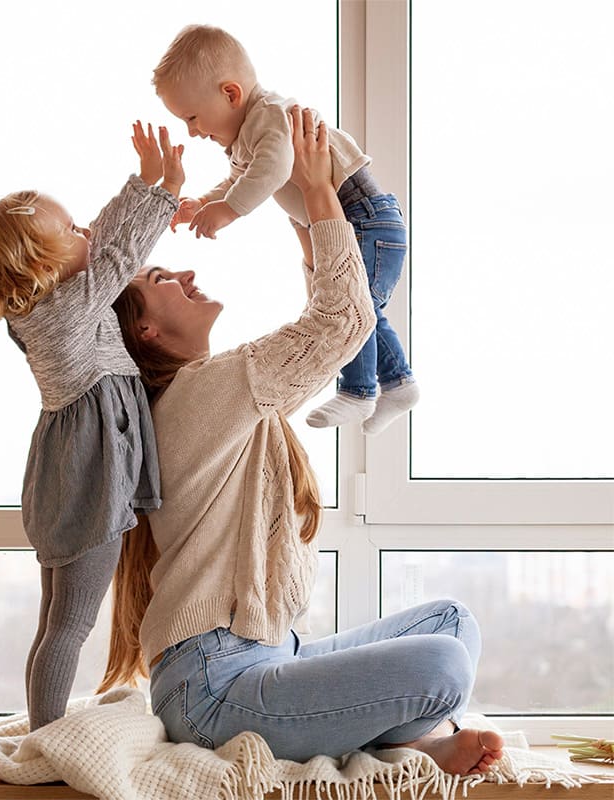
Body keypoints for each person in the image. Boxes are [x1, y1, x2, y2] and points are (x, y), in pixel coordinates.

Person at [99, 107, 504, 774]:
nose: (187, 276)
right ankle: (405, 739)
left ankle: (396, 737)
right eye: (162, 281)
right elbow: (341, 323)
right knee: (441, 666)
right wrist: (318, 193)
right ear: (144, 333)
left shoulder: (214, 391)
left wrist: (300, 216)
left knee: (451, 622)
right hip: (213, 688)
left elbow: (326, 326)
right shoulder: (197, 394)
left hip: (264, 656)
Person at [0, 122, 184, 730]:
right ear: (41, 261)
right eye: (68, 230)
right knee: (69, 626)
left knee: (54, 622)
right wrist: (163, 192)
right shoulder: (67, 310)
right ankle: (46, 740)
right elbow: (117, 253)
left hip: (66, 475)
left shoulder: (37, 310)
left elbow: (103, 238)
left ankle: (41, 727)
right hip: (89, 482)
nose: (84, 228)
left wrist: (143, 181)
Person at [152, 23, 419, 435]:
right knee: (363, 306)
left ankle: (361, 390)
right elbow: (241, 178)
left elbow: (272, 169)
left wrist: (230, 211)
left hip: (364, 217)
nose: (193, 131)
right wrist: (204, 203)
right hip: (356, 221)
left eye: (192, 117)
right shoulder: (247, 137)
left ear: (230, 93)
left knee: (354, 308)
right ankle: (398, 383)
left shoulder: (270, 116)